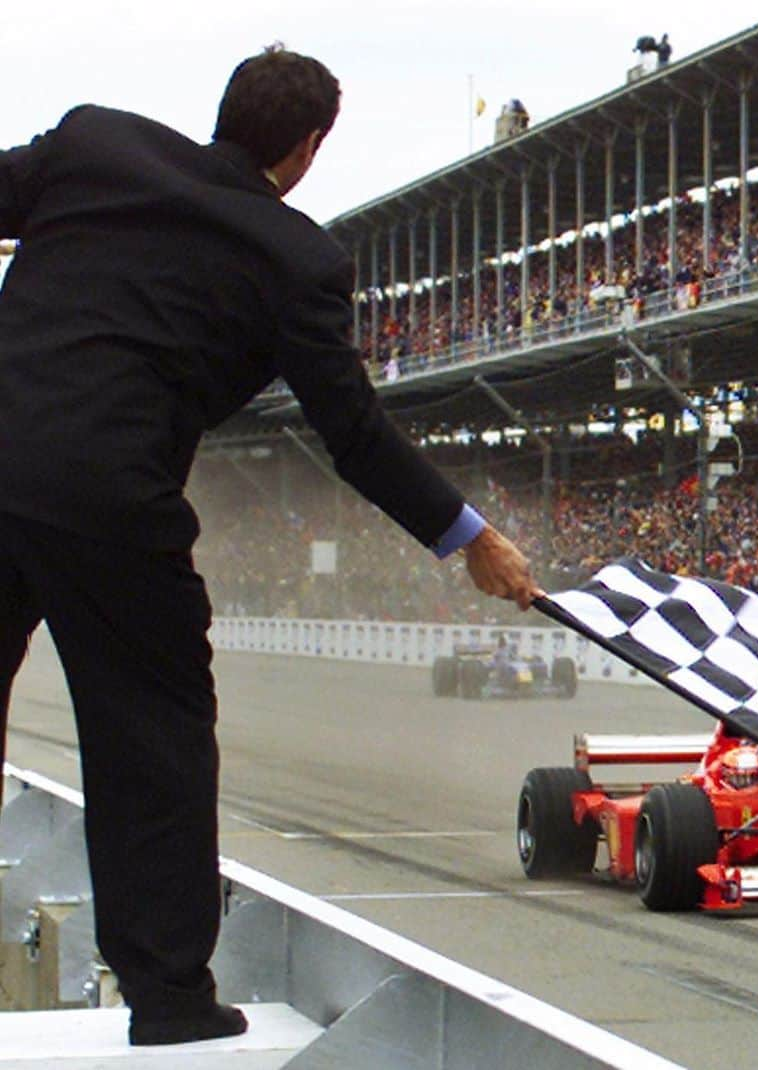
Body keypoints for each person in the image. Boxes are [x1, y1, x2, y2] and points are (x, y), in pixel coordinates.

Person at [0, 45, 540, 1046]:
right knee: (149, 731)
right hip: (107, 497)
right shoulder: (296, 258)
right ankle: (167, 997)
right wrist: (468, 536)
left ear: (225, 112)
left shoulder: (93, 143)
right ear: (305, 147)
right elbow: (355, 434)